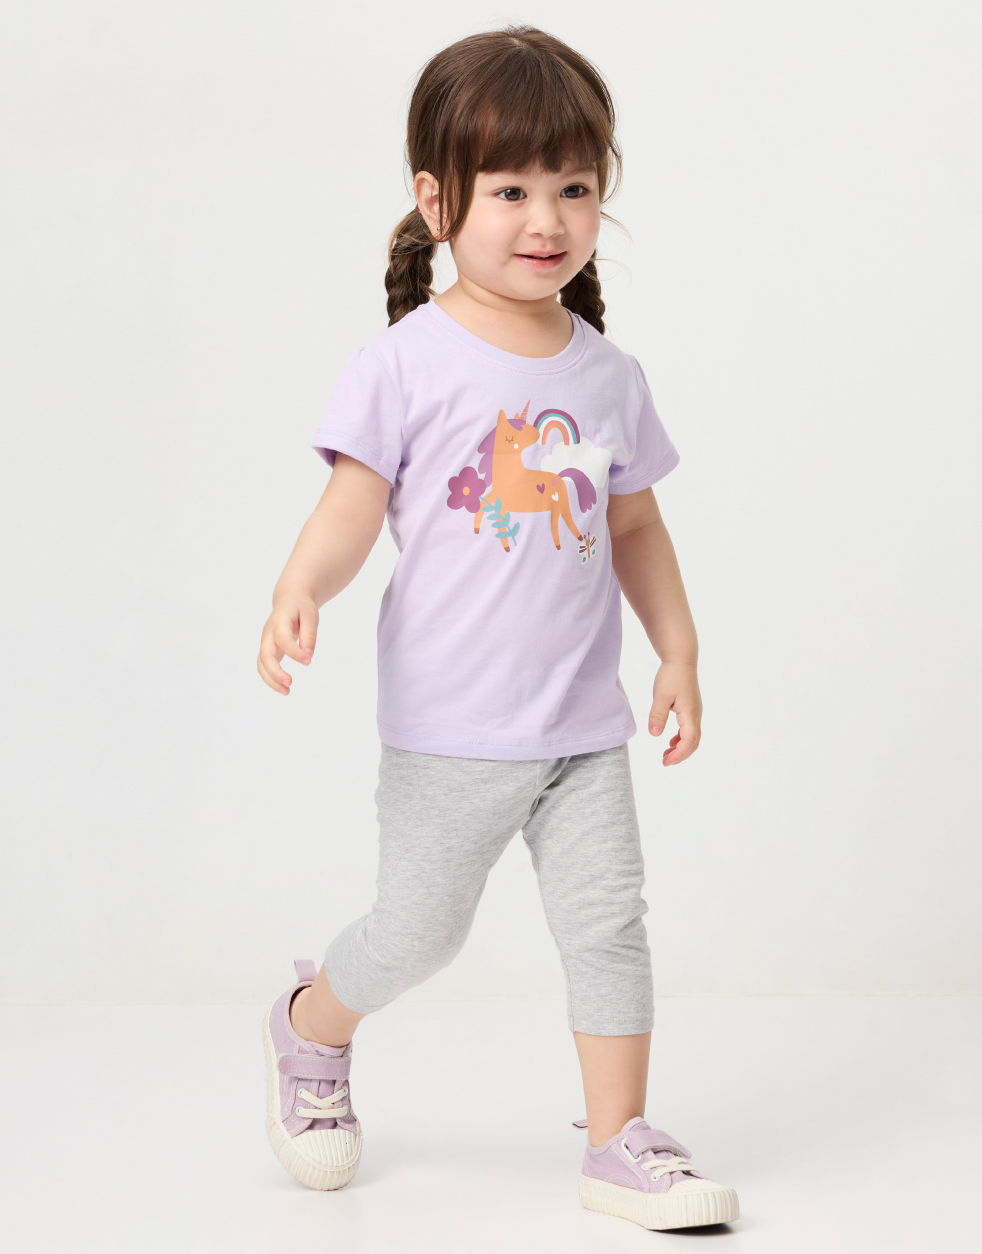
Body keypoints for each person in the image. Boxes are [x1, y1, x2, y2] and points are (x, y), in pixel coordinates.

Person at [256, 25, 739, 1232]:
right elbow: (350, 509)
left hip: (580, 728)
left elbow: (635, 527)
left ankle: (619, 1141)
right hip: (450, 730)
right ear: (436, 202)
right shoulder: (404, 365)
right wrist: (300, 586)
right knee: (417, 937)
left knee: (608, 926)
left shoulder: (607, 375)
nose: (547, 218)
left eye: (572, 187)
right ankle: (312, 1021)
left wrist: (676, 650)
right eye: (511, 190)